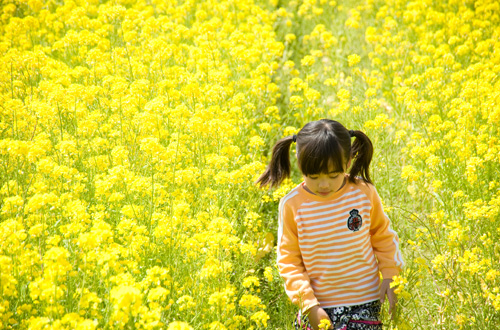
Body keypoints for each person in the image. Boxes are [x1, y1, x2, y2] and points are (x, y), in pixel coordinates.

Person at [256, 119, 404, 330]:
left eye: (333, 175)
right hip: (318, 306)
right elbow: (289, 261)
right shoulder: (292, 205)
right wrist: (309, 305)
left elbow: (383, 236)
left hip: (365, 301)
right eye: (313, 176)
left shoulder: (363, 193)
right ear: (299, 163)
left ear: (348, 162)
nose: (323, 184)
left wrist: (390, 275)